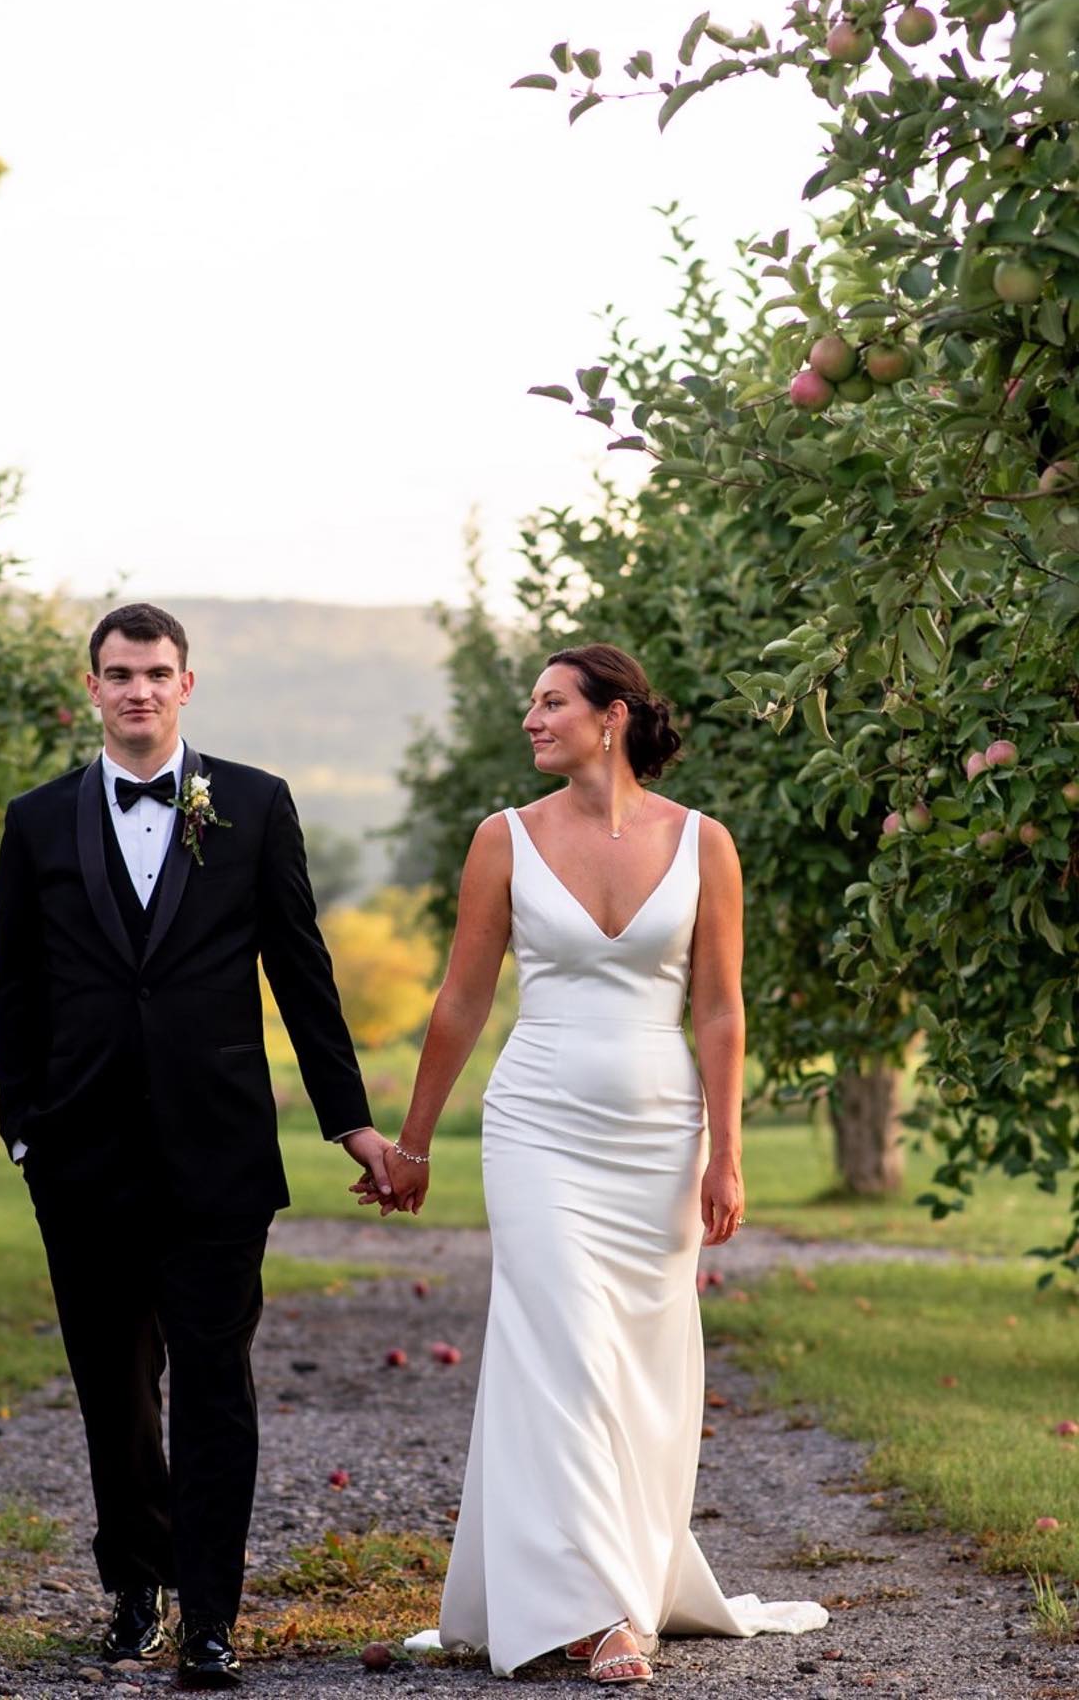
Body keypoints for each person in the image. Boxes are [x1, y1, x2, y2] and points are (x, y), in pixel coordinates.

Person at [367, 643, 828, 1682]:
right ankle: (598, 1608)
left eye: (550, 702)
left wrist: (729, 1155)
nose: (530, 719)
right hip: (536, 1126)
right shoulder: (504, 839)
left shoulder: (705, 842)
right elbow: (462, 1000)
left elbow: (718, 1007)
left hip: (663, 1136)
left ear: (611, 717)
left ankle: (619, 1573)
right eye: (529, 703)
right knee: (565, 1347)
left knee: (640, 1364)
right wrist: (416, 1140)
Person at [0, 602, 390, 1689]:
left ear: (187, 683)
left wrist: (348, 1119)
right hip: (79, 1158)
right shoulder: (35, 822)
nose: (139, 690)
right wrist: (23, 1130)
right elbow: (16, 989)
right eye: (118, 674)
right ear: (92, 688)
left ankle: (211, 1617)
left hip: (216, 1156)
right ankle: (134, 1589)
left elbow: (302, 975)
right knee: (114, 1390)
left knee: (216, 1385)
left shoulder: (253, 806)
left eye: (157, 672)